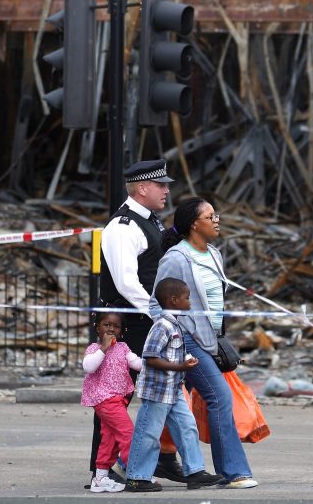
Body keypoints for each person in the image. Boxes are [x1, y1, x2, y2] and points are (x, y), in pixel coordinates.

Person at [151, 197, 258, 489]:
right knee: (219, 397)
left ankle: (129, 464)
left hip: (210, 340)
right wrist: (174, 336)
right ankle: (234, 472)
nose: (216, 220)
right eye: (210, 216)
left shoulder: (213, 254)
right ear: (194, 224)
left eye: (216, 215)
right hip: (186, 340)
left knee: (166, 404)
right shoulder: (176, 258)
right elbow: (155, 304)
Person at [91, 159, 185, 484]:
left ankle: (159, 457)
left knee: (147, 393)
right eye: (161, 185)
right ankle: (101, 469)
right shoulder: (123, 227)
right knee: (114, 399)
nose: (167, 190)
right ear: (143, 188)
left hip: (143, 321)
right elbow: (126, 282)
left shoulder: (150, 222)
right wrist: (159, 313)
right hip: (127, 322)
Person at [124, 278, 224, 493]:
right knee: (149, 433)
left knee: (187, 427)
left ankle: (195, 472)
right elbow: (150, 357)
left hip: (173, 389)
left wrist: (183, 364)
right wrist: (180, 367)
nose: (190, 302)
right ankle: (136, 477)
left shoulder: (175, 323)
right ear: (174, 300)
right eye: (187, 298)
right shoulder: (162, 325)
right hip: (158, 391)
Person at [81, 311, 142, 493]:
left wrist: (154, 362)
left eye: (115, 326)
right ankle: (137, 475)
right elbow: (88, 367)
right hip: (104, 400)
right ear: (97, 328)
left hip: (118, 399)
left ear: (122, 331)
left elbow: (137, 364)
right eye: (106, 325)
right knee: (128, 434)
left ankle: (100, 478)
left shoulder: (123, 348)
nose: (111, 329)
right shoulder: (94, 349)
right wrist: (104, 348)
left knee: (109, 439)